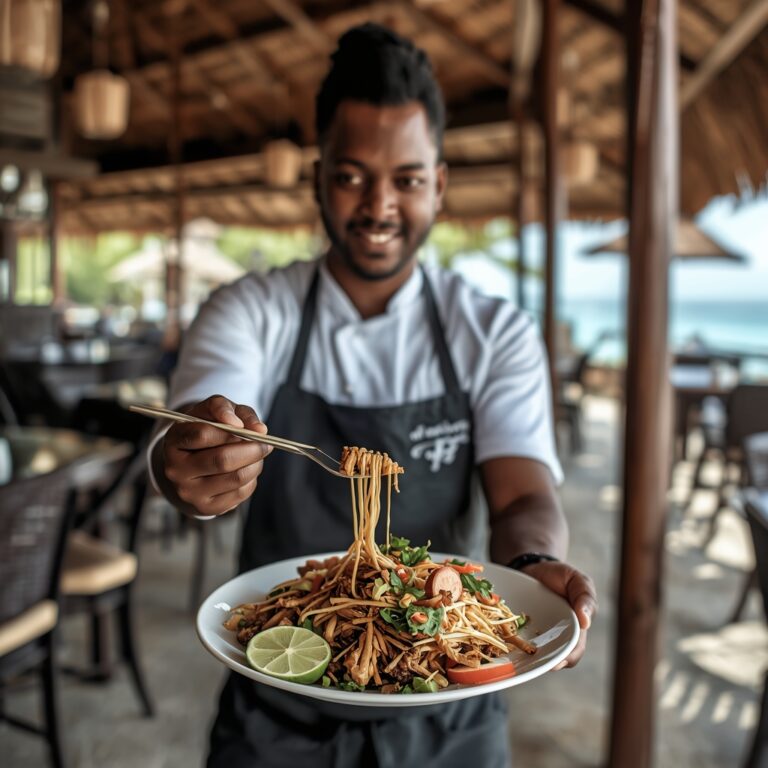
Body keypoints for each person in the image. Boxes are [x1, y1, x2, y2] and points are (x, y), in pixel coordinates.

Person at [151, 23, 597, 768]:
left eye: (408, 179)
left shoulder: (493, 332)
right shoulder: (251, 310)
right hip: (277, 694)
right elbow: (198, 423)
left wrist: (533, 558)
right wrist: (195, 461)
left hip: (450, 699)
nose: (379, 205)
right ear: (319, 173)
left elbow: (521, 493)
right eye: (352, 175)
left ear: (440, 184)